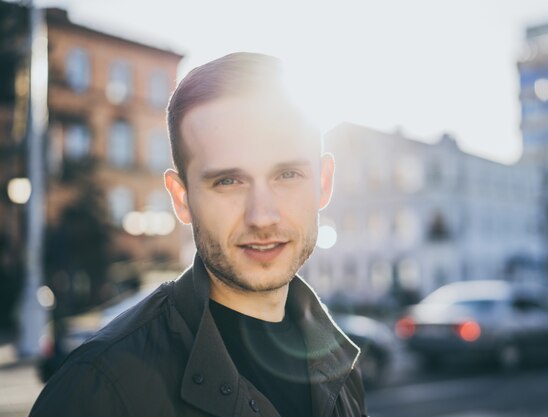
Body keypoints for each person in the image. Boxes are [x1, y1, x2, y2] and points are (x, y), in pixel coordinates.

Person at [30, 52, 368, 417]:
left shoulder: (339, 365)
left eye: (287, 175)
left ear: (324, 182)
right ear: (181, 197)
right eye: (228, 181)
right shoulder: (97, 390)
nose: (262, 216)